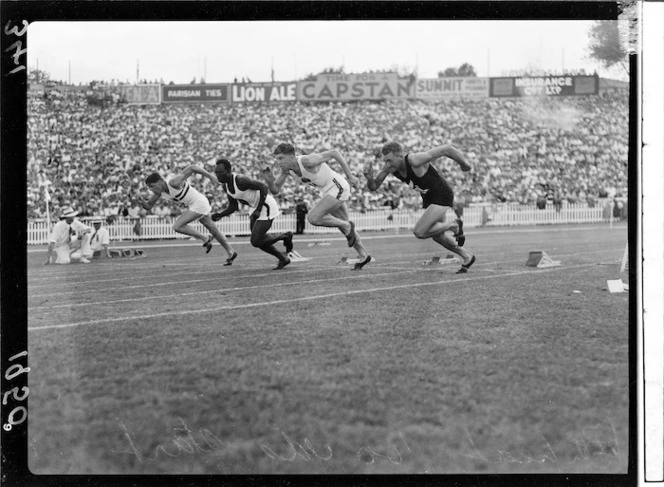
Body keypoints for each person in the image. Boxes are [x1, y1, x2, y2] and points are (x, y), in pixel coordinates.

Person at [364, 141, 476, 274]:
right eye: (385, 161)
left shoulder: (414, 160)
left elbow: (446, 149)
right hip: (429, 198)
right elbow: (374, 186)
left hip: (441, 194)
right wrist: (369, 178)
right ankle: (467, 256)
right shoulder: (390, 168)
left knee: (420, 232)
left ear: (400, 156)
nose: (387, 164)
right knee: (438, 236)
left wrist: (465, 164)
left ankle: (454, 225)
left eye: (389, 160)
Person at [263, 143, 372, 270]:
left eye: (281, 158)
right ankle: (364, 255)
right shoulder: (287, 170)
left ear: (292, 156)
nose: (278, 162)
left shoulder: (307, 161)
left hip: (338, 186)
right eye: (276, 159)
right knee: (346, 229)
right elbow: (275, 190)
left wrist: (350, 176)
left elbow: (334, 153)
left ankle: (347, 227)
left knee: (313, 218)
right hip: (328, 191)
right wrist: (270, 181)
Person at [137, 165, 238, 265]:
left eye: (152, 187)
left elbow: (192, 168)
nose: (151, 190)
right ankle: (231, 252)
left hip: (199, 203)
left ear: (159, 182)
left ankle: (205, 238)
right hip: (194, 204)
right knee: (213, 229)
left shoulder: (173, 182)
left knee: (177, 226)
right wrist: (142, 202)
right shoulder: (159, 193)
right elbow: (149, 206)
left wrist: (210, 176)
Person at [211, 158, 294, 270]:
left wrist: (258, 209)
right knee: (258, 241)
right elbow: (233, 206)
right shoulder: (226, 186)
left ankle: (285, 236)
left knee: (255, 240)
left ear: (229, 170)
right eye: (216, 173)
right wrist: (220, 215)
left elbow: (263, 187)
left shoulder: (241, 180)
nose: (218, 176)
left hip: (265, 205)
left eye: (220, 172)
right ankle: (283, 258)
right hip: (255, 208)